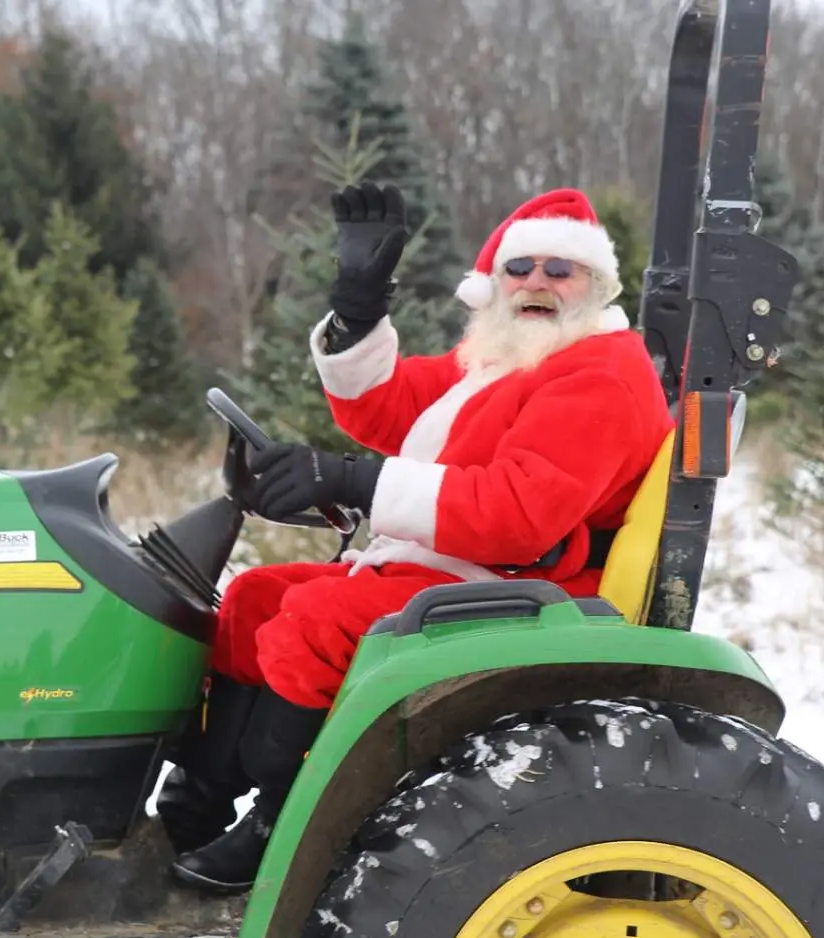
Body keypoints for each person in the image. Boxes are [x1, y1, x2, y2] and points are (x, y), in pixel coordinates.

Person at [159, 182, 676, 893]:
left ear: (596, 284)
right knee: (252, 599)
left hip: (524, 579)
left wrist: (351, 481)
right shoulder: (507, 360)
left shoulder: (601, 373)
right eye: (521, 269)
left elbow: (520, 511)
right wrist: (358, 307)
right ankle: (194, 801)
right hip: (459, 564)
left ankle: (287, 822)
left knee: (318, 623)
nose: (537, 283)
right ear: (494, 282)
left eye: (561, 270)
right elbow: (387, 407)